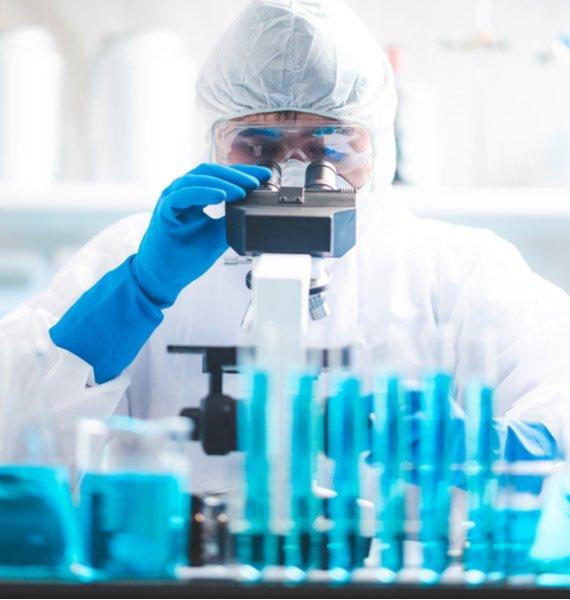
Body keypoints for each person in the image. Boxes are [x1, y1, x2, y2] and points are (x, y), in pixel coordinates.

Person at [0, 0, 568, 492]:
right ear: (215, 143)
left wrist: (496, 444)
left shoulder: (457, 270)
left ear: (379, 147)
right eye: (258, 145)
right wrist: (140, 291)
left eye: (330, 147)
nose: (293, 173)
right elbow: (16, 435)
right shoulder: (132, 252)